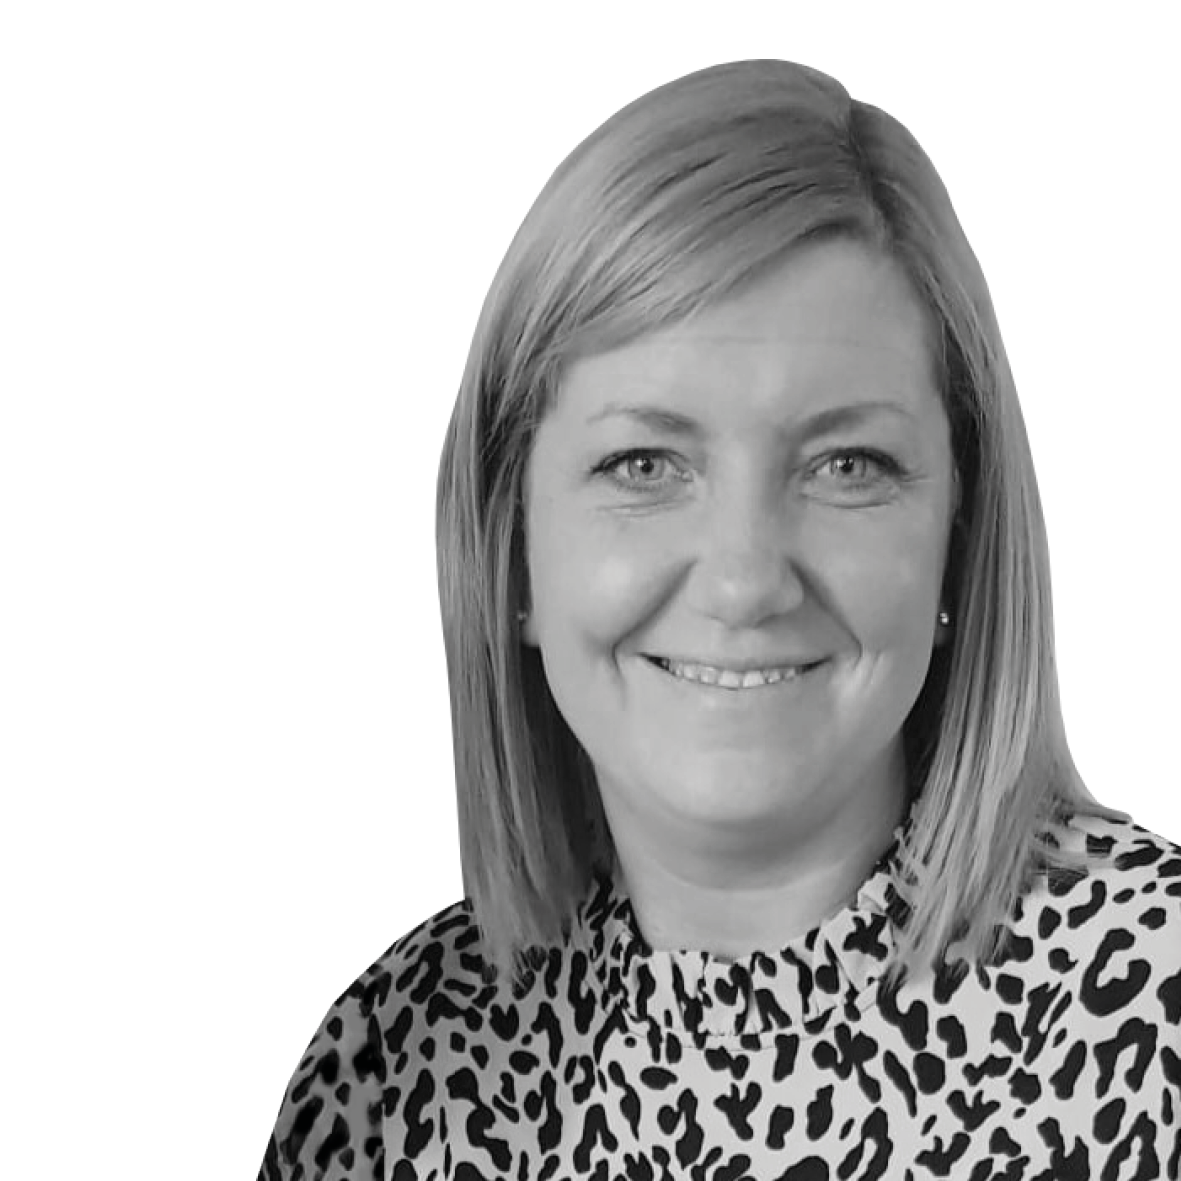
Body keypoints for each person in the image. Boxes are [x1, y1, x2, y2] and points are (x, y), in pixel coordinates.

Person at [256, 59, 1181, 1180]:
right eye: (642, 461)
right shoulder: (389, 1073)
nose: (744, 581)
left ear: (959, 535)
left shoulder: (1154, 1013)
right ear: (510, 552)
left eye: (847, 463)